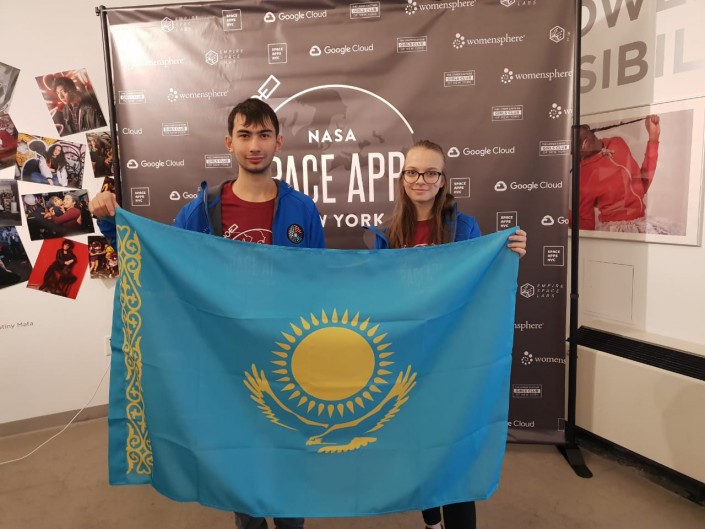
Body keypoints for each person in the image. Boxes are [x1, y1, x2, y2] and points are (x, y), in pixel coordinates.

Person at [89, 97, 325, 529]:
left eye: (264, 135)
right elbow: (159, 260)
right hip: (225, 367)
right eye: (245, 135)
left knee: (289, 468)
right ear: (229, 143)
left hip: (286, 363)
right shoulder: (202, 210)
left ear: (279, 142)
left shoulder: (302, 210)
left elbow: (320, 287)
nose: (255, 145)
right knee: (241, 473)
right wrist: (110, 221)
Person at [368, 139, 526, 529]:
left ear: (442, 180)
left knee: (453, 454)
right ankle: (431, 521)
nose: (420, 179)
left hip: (451, 360)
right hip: (408, 360)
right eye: (412, 172)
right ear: (402, 177)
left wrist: (509, 252)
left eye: (430, 172)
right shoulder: (387, 233)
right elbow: (378, 298)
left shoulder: (464, 227)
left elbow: (481, 281)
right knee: (418, 450)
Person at [578, 115, 661, 232]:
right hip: (616, 231)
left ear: (585, 126)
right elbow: (586, 224)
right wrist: (559, 213)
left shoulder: (617, 142)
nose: (576, 139)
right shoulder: (584, 176)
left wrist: (654, 138)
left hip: (642, 222)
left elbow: (641, 185)